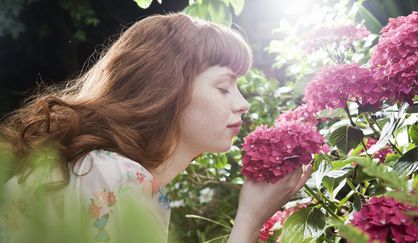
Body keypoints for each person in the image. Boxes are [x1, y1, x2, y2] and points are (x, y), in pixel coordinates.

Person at [0, 13, 312, 242]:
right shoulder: (116, 176)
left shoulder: (95, 168)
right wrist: (248, 219)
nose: (243, 103)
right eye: (223, 87)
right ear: (167, 89)